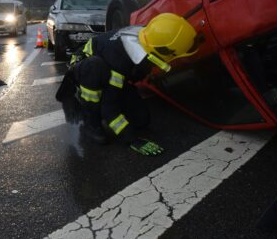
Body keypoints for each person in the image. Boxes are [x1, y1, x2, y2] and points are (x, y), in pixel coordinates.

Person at [56, 13, 199, 156]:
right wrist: (132, 139)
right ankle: (91, 121)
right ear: (163, 51)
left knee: (141, 120)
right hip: (85, 68)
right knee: (96, 71)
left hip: (109, 67)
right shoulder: (120, 62)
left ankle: (105, 100)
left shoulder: (149, 35)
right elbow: (110, 110)